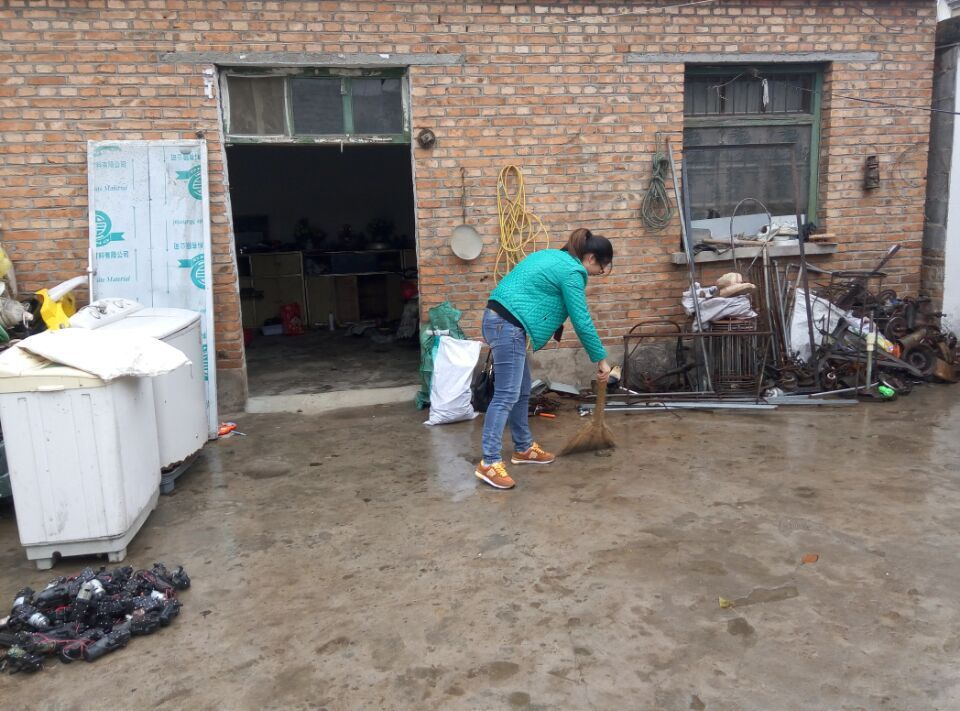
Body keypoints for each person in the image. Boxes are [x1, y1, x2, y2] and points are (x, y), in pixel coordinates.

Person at [475, 228, 613, 490]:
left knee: (521, 390)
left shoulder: (554, 257)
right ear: (591, 258)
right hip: (507, 325)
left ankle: (523, 448)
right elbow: (582, 321)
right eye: (602, 267)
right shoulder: (573, 271)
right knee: (506, 395)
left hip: (504, 322)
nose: (600, 273)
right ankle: (489, 462)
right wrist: (601, 359)